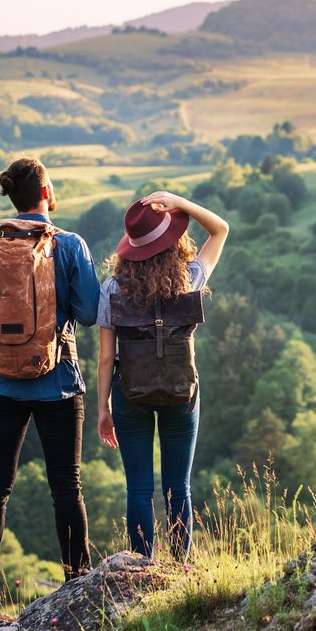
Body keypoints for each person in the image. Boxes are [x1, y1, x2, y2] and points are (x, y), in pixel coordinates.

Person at [0, 156, 100, 620]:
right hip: (57, 381)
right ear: (45, 192)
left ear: (12, 197)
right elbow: (93, 312)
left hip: (0, 382)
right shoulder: (70, 245)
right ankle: (77, 583)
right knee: (66, 485)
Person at [96, 191, 229, 561]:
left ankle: (141, 567)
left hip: (129, 394)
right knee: (178, 486)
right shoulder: (190, 278)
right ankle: (181, 566)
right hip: (181, 393)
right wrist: (180, 203)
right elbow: (220, 230)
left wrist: (103, 409)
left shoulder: (112, 289)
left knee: (138, 489)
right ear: (173, 243)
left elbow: (107, 358)